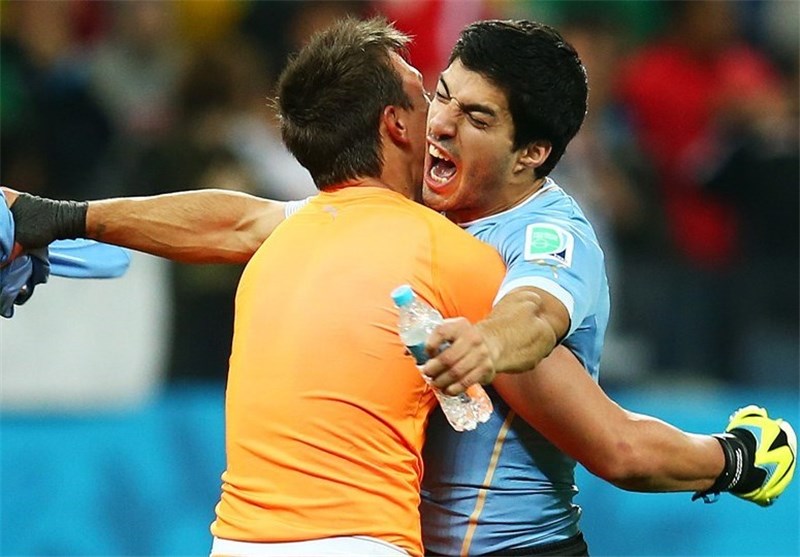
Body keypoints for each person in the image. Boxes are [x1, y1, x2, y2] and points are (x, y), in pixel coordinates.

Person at [3, 17, 796, 557]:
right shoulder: (411, 219)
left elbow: (546, 333)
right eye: (442, 94)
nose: (441, 123)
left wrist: (732, 460)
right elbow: (245, 222)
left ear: (531, 153)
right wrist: (58, 216)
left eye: (477, 118)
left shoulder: (544, 240)